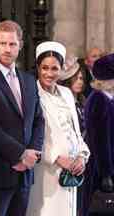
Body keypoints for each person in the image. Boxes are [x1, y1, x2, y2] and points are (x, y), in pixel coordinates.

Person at [0, 20, 44, 216]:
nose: (7, 49)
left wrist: (33, 152)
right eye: (3, 43)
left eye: (12, 44)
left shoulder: (29, 80)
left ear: (20, 46)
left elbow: (39, 120)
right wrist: (20, 153)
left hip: (25, 173)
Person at [26, 41, 90, 216]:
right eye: (44, 68)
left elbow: (75, 131)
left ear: (61, 69)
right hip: (46, 171)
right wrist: (56, 158)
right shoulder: (31, 92)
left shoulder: (67, 93)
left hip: (71, 170)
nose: (49, 73)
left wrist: (82, 156)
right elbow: (30, 134)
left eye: (54, 68)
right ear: (38, 68)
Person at [83, 53, 114, 216]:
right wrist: (106, 173)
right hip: (100, 167)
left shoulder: (107, 98)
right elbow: (99, 141)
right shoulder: (98, 100)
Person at [59, 55, 86, 136]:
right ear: (68, 80)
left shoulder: (82, 101)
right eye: (76, 78)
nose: (79, 82)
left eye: (81, 78)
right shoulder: (63, 103)